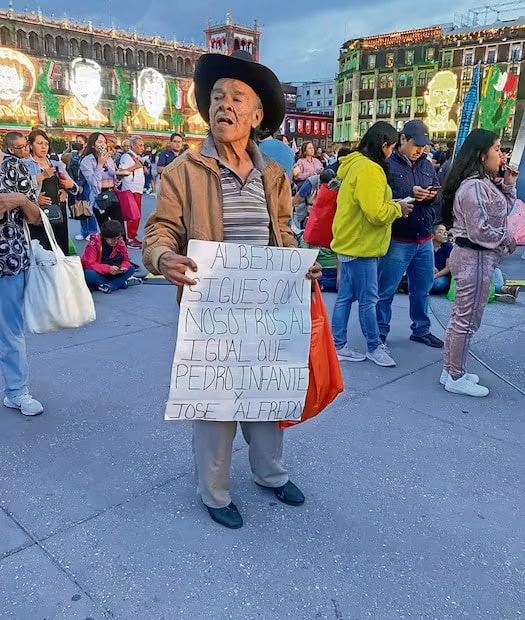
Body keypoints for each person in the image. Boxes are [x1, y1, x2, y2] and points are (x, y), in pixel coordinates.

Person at [142, 49, 321, 530]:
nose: (225, 104)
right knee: (216, 405)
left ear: (257, 115)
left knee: (267, 396)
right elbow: (159, 231)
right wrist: (163, 258)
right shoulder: (183, 171)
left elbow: (283, 231)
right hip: (212, 307)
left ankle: (270, 475)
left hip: (268, 306)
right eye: (218, 96)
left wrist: (297, 266)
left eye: (237, 97)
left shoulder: (274, 174)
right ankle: (216, 492)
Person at [441, 129, 518, 397]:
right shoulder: (474, 187)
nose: (501, 153)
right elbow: (481, 230)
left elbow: (502, 210)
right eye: (497, 148)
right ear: (481, 154)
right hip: (474, 258)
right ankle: (455, 375)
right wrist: (506, 238)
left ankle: (451, 368)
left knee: (462, 318)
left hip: (478, 258)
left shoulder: (482, 183)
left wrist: (507, 184)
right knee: (467, 320)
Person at [331, 121, 412, 368]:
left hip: (350, 241)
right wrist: (398, 208)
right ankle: (374, 347)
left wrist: (391, 203)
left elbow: (368, 204)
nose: (392, 152)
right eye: (392, 147)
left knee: (345, 297)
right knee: (368, 300)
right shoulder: (370, 169)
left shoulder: (355, 164)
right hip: (361, 245)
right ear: (384, 145)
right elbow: (375, 213)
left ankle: (337, 344)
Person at [376, 120, 444, 349]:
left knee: (422, 288)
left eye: (423, 147)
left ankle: (421, 329)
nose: (420, 151)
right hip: (398, 238)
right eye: (416, 145)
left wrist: (431, 196)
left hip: (423, 237)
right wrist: (409, 193)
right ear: (403, 139)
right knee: (386, 289)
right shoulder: (388, 165)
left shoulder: (426, 165)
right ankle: (380, 331)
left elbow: (437, 192)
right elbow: (382, 198)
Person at [0, 133, 43, 416]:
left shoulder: (13, 167)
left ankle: (17, 391)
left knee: (10, 330)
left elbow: (36, 216)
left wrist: (18, 199)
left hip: (9, 260)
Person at [23, 129, 77, 256]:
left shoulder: (56, 163)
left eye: (46, 144)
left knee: (61, 246)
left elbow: (74, 186)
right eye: (39, 143)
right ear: (30, 145)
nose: (43, 147)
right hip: (38, 211)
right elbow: (22, 188)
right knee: (43, 249)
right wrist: (35, 199)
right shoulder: (25, 164)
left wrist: (68, 187)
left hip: (58, 210)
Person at [80, 132, 126, 241]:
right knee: (106, 230)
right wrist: (100, 164)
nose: (103, 145)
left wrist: (119, 177)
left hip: (111, 193)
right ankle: (107, 255)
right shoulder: (87, 161)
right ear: (92, 145)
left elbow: (114, 178)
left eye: (105, 142)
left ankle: (122, 254)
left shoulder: (109, 159)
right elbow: (93, 183)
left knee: (120, 227)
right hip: (99, 196)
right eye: (100, 142)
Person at [81, 220, 140, 294]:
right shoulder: (93, 244)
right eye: (112, 239)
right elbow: (89, 265)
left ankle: (109, 286)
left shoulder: (120, 242)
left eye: (117, 238)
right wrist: (109, 269)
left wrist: (123, 268)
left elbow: (126, 260)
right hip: (100, 272)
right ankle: (118, 284)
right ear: (105, 237)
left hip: (115, 271)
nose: (115, 242)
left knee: (131, 268)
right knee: (88, 274)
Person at [118, 136, 145, 248]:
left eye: (142, 145)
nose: (142, 148)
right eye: (140, 145)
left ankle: (132, 236)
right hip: (130, 188)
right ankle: (130, 238)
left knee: (136, 214)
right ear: (133, 145)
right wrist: (135, 167)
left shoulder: (135, 157)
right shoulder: (126, 156)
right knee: (132, 215)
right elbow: (121, 171)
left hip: (137, 188)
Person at [431, 224, 453, 294]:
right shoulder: (428, 246)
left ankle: (421, 288)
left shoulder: (448, 246)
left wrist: (434, 276)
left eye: (445, 232)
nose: (444, 234)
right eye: (440, 232)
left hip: (441, 276)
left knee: (438, 284)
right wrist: (432, 267)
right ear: (433, 236)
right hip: (428, 273)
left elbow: (448, 268)